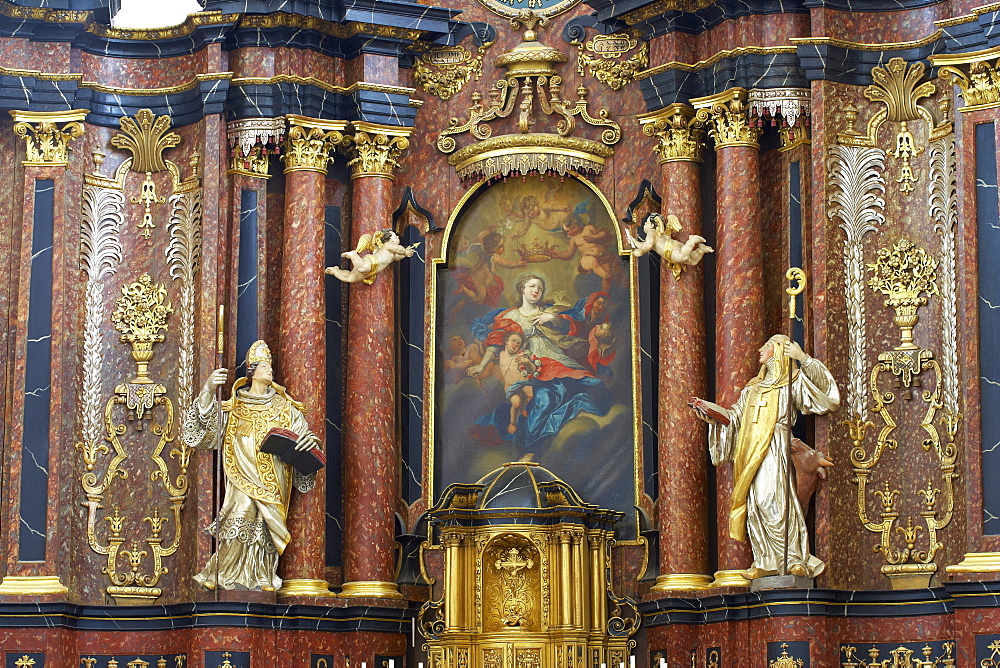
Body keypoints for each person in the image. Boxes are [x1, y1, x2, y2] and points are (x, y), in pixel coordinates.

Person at [691, 334, 840, 580]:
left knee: (776, 499)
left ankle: (793, 558)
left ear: (780, 350)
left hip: (775, 445)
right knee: (757, 503)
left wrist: (803, 359)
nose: (760, 349)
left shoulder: (792, 381)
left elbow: (827, 397)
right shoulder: (752, 388)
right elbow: (736, 419)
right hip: (750, 450)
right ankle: (766, 559)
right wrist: (715, 419)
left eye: (767, 345)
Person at [182, 340, 320, 591]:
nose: (270, 370)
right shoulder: (234, 406)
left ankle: (261, 576)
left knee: (265, 530)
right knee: (240, 520)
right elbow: (202, 434)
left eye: (270, 366)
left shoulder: (286, 408)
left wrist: (311, 444)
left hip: (274, 482)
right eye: (265, 366)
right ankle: (226, 576)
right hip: (241, 479)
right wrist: (208, 389)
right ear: (252, 370)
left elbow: (304, 440)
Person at [466, 275, 610, 450]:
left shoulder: (549, 310)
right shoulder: (511, 316)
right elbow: (496, 344)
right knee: (545, 398)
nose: (536, 291)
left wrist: (552, 319)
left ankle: (582, 426)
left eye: (540, 288)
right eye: (532, 286)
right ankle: (532, 447)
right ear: (522, 289)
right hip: (531, 362)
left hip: (555, 356)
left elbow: (570, 327)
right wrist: (481, 365)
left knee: (591, 384)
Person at [326, 228, 418, 285]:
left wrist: (407, 253)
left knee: (351, 278)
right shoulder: (388, 245)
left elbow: (399, 256)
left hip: (371, 270)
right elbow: (399, 250)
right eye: (395, 236)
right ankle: (354, 255)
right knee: (362, 268)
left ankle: (335, 271)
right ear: (390, 239)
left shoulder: (392, 255)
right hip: (372, 262)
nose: (398, 237)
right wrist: (405, 252)